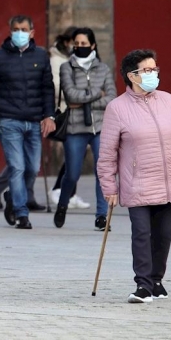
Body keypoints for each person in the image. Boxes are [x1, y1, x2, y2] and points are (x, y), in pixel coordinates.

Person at [97, 49, 171, 303]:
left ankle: (156, 280)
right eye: (148, 70)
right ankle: (143, 285)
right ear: (132, 75)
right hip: (137, 182)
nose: (154, 74)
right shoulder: (117, 108)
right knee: (142, 233)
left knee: (163, 234)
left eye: (155, 69)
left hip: (169, 179)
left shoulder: (168, 100)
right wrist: (109, 187)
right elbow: (107, 152)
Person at [0, 15, 55, 229]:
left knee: (32, 168)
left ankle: (12, 200)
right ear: (10, 31)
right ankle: (21, 212)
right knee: (17, 167)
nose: (20, 33)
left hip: (34, 121)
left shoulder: (41, 56)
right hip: (8, 120)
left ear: (32, 32)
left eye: (24, 29)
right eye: (16, 29)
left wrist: (49, 116)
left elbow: (47, 89)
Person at [52, 27, 117, 230]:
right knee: (72, 173)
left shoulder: (103, 69)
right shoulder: (66, 68)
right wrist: (98, 93)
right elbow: (71, 96)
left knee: (102, 171)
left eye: (84, 44)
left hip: (100, 127)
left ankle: (101, 216)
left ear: (93, 45)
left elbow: (112, 98)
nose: (80, 47)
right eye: (76, 44)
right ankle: (62, 204)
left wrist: (87, 99)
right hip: (75, 127)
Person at [46, 27, 90, 210]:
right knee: (74, 154)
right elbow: (56, 86)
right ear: (66, 42)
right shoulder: (57, 60)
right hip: (67, 112)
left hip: (81, 113)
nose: (77, 46)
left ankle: (70, 193)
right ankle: (59, 189)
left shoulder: (76, 60)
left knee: (77, 154)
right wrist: (78, 93)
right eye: (75, 42)